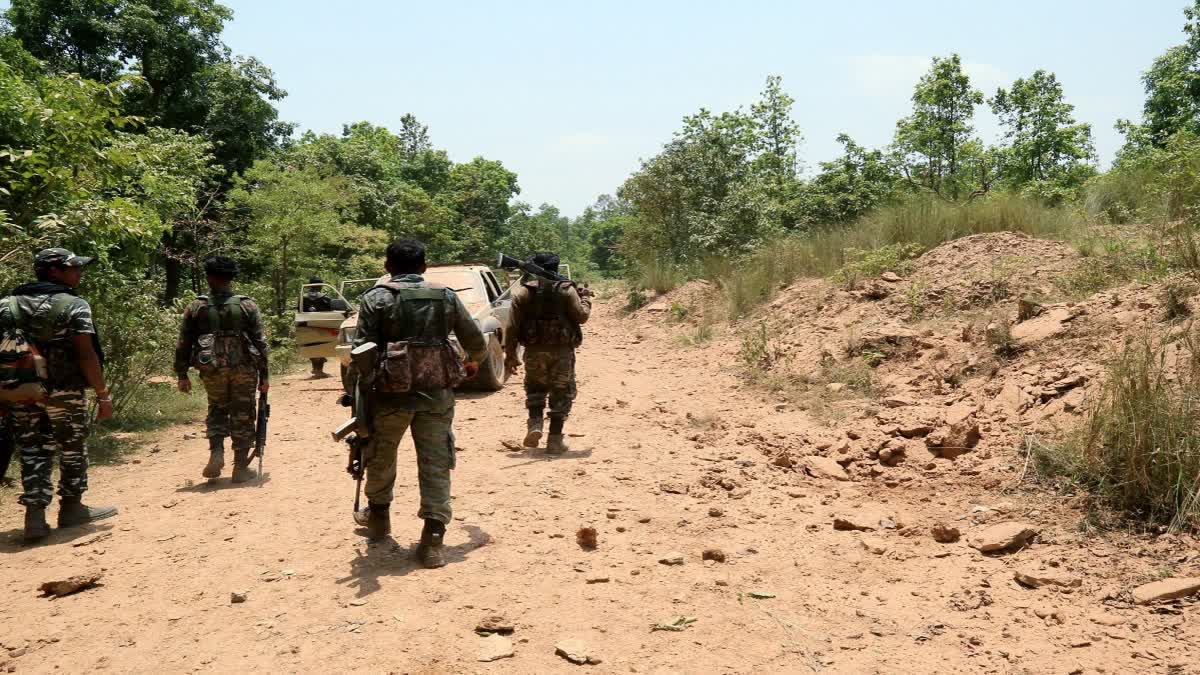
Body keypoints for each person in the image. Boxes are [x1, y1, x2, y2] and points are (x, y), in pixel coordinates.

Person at [350, 239, 486, 568]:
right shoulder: (446, 296)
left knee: (380, 456)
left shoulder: (375, 298)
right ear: (424, 268)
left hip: (388, 397)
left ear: (387, 267)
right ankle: (433, 542)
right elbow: (476, 343)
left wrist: (356, 399)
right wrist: (471, 364)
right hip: (437, 397)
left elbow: (360, 354)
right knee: (436, 464)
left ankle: (379, 520)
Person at [0, 248, 117, 544]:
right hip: (64, 389)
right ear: (54, 271)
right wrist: (102, 394)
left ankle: (35, 516)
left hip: (21, 390)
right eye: (73, 267)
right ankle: (72, 508)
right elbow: (86, 353)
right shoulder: (74, 305)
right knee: (72, 446)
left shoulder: (6, 305)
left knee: (32, 448)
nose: (78, 272)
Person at [174, 256, 270, 483]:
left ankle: (216, 452)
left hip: (212, 368)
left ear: (209, 277)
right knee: (243, 412)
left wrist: (181, 374)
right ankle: (240, 468)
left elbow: (184, 342)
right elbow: (260, 343)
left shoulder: (196, 306)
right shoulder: (247, 305)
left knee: (217, 409)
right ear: (232, 278)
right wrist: (265, 375)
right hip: (244, 368)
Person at [503, 252, 592, 454]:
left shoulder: (524, 293)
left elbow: (512, 327)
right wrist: (585, 298)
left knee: (535, 389)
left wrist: (510, 355)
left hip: (534, 351)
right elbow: (582, 317)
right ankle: (554, 440)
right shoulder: (566, 290)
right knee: (562, 392)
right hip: (562, 352)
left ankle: (535, 424)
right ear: (556, 267)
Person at [301, 277, 348, 378]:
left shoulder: (302, 297)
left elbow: (299, 310)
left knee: (311, 345)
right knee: (322, 345)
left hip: (306, 324)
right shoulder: (324, 297)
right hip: (322, 324)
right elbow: (331, 310)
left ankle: (316, 369)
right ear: (320, 285)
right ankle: (319, 371)